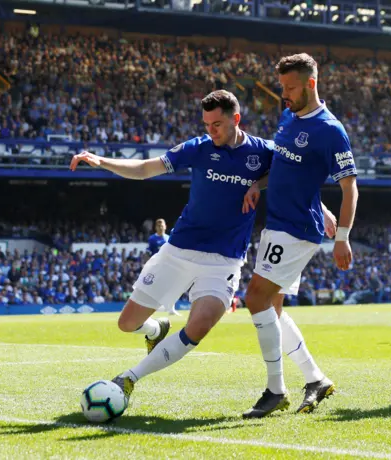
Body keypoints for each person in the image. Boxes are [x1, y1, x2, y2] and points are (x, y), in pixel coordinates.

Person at [70, 90, 334, 413]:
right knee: (127, 323)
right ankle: (156, 329)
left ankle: (129, 378)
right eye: (207, 124)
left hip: (223, 262)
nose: (211, 130)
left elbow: (291, 178)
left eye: (218, 124)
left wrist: (321, 208)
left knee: (200, 324)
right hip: (178, 252)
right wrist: (102, 162)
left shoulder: (262, 151)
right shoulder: (198, 148)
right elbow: (144, 169)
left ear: (236, 119)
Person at [240, 53, 358, 419]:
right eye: (282, 87)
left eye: (290, 87)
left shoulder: (330, 130)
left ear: (311, 83)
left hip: (295, 229)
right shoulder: (289, 117)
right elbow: (291, 170)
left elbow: (351, 188)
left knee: (255, 298)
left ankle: (275, 389)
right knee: (271, 307)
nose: (284, 94)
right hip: (280, 222)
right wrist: (259, 184)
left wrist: (343, 237)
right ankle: (316, 379)